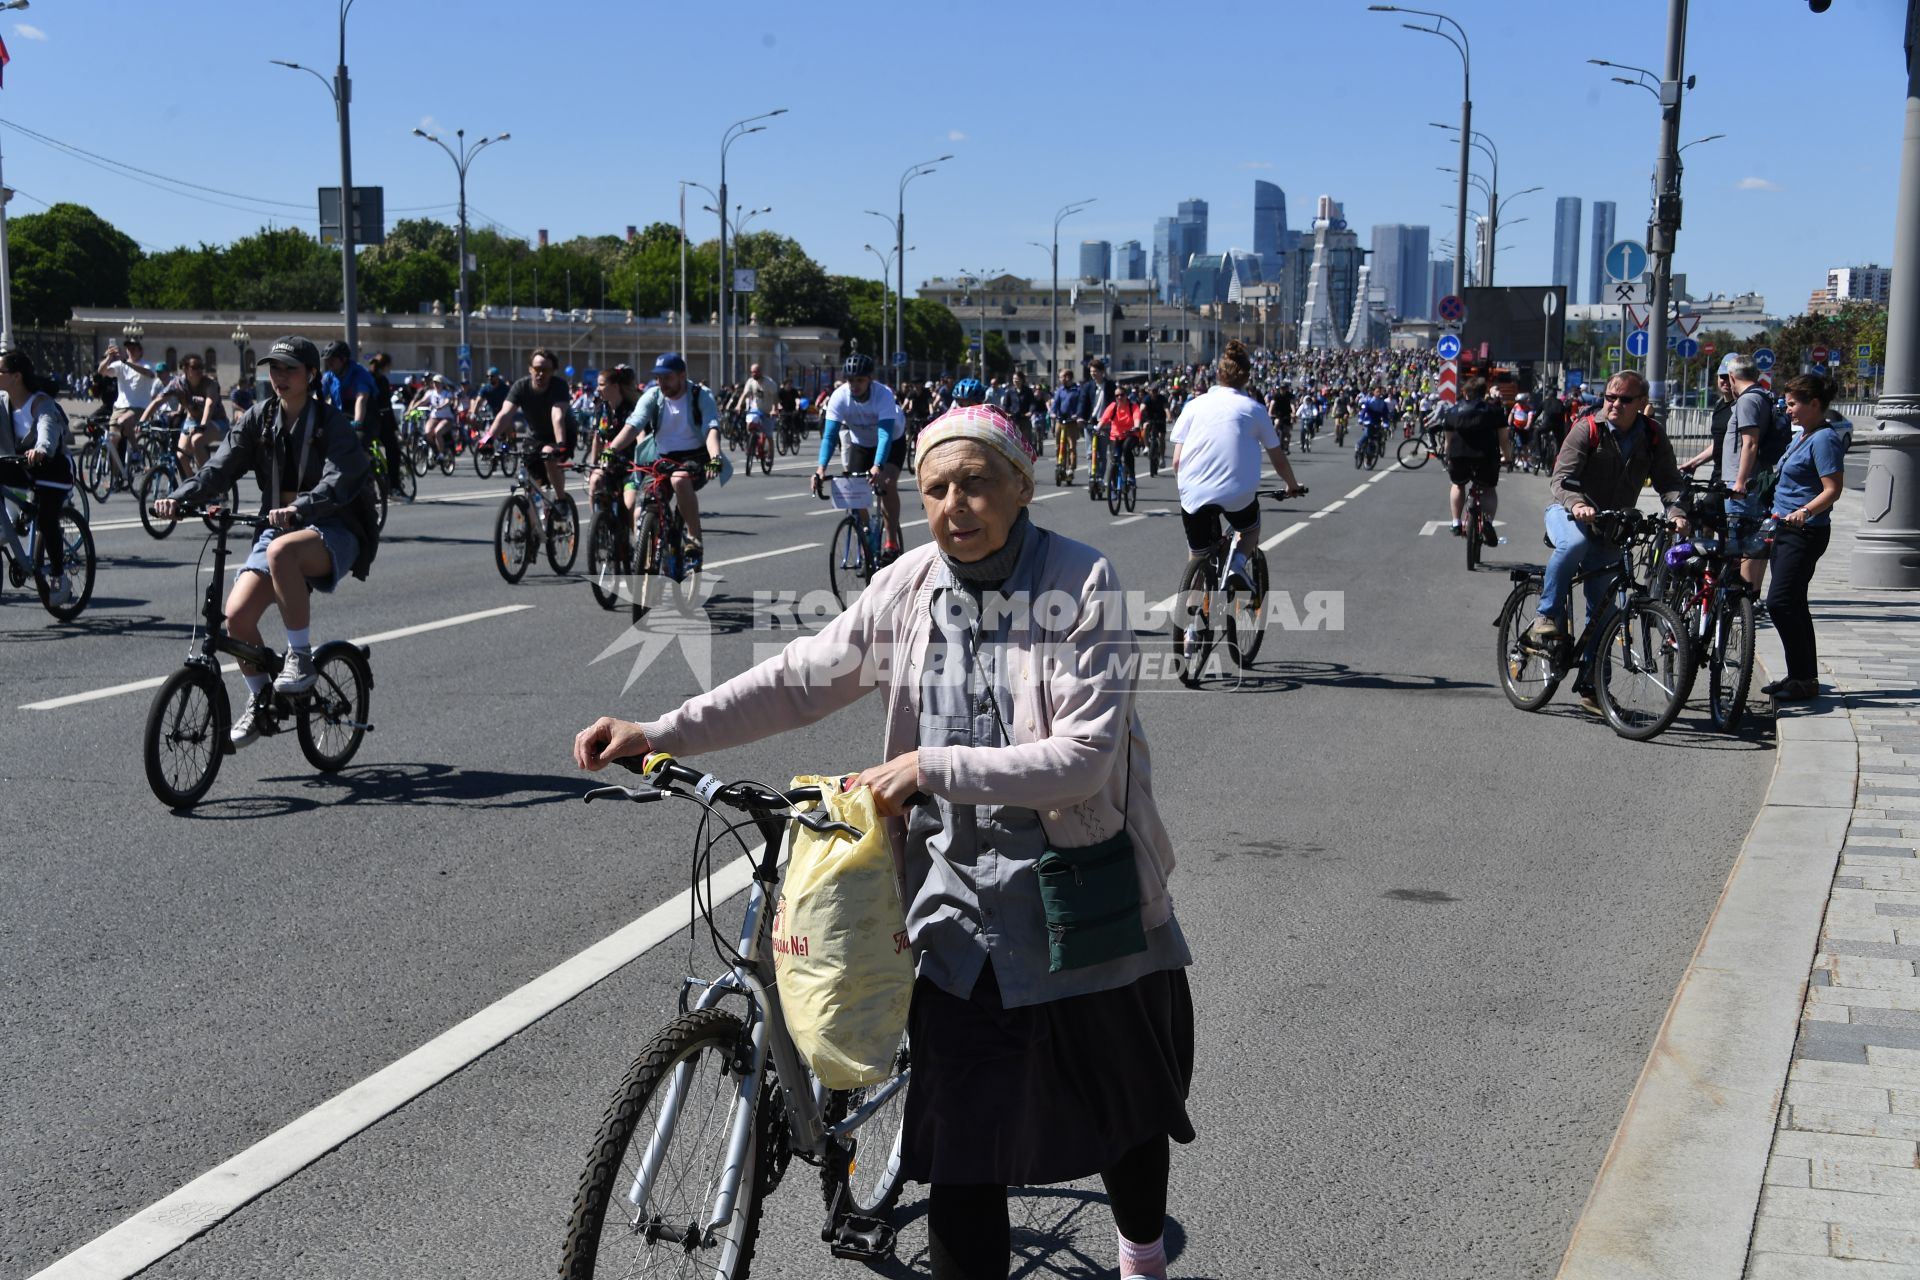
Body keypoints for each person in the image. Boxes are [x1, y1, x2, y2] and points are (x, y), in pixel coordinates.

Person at [574, 401, 1195, 1280]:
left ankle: (1140, 1255)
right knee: (959, 1155)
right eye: (936, 487)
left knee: (1123, 1109)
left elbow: (1085, 761)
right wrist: (660, 729)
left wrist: (930, 767)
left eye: (977, 483)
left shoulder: (1081, 583)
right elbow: (797, 680)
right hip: (954, 905)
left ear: (1020, 488)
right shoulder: (906, 585)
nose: (955, 504)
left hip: (1077, 885)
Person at [151, 337, 375, 744]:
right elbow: (220, 467)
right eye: (275, 368)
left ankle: (300, 658)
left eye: (290, 369)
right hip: (280, 527)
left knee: (281, 550)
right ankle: (260, 703)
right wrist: (178, 498)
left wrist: (302, 507)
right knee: (236, 619)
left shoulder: (330, 422)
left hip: (333, 527)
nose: (280, 377)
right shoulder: (260, 417)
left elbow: (342, 476)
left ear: (311, 375)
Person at [1530, 371, 1689, 704]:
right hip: (1568, 511)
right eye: (1610, 397)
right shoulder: (1587, 428)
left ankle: (1592, 689)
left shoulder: (1653, 436)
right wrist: (1578, 504)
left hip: (1611, 526)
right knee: (1574, 544)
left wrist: (1676, 512)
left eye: (1624, 399)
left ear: (1642, 404)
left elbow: (1669, 482)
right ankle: (1545, 615)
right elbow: (1560, 479)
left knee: (1603, 613)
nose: (1615, 403)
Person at [1171, 340, 1305, 568]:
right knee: (1250, 530)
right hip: (1237, 494)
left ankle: (1191, 601)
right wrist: (1292, 485)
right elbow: (1278, 458)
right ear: (1247, 377)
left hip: (1193, 492)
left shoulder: (1194, 405)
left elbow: (1176, 461)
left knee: (1197, 554)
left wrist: (1188, 488)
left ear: (1218, 375)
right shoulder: (1254, 409)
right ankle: (1238, 564)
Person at [1762, 374, 1847, 702]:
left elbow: (1833, 489)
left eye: (1794, 403)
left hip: (1804, 532)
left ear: (1815, 404)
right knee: (1794, 603)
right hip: (1786, 529)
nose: (1788, 408)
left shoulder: (1824, 439)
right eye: (1787, 401)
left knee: (1780, 602)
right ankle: (1801, 678)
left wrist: (1805, 512)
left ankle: (1802, 678)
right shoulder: (1805, 435)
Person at [609, 352, 721, 562]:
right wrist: (612, 449)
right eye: (659, 378)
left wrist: (715, 458)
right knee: (641, 507)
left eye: (667, 377)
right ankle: (645, 557)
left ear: (681, 375)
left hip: (695, 458)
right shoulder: (653, 395)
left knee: (679, 479)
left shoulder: (700, 394)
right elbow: (634, 424)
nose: (662, 383)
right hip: (662, 459)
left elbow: (710, 428)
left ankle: (694, 537)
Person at [0, 349, 77, 606]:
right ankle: (12, 520)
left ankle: (58, 575)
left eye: (0, 371)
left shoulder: (40, 402)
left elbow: (47, 427)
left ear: (16, 377)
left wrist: (41, 449)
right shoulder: (2, 401)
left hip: (51, 467)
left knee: (46, 520)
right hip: (21, 464)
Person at [815, 353, 906, 559]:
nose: (854, 385)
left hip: (892, 441)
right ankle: (866, 535)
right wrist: (821, 469)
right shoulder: (840, 397)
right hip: (861, 443)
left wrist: (878, 466)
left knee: (887, 482)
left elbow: (884, 434)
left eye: (860, 380)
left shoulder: (883, 394)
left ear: (869, 380)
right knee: (853, 487)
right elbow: (829, 437)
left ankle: (891, 540)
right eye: (850, 380)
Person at [1721, 355, 1778, 596]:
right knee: (1753, 539)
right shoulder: (1762, 397)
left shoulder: (1748, 401)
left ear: (1733, 377)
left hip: (1743, 485)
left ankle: (1743, 597)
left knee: (1742, 541)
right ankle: (1749, 596)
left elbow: (1750, 443)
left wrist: (1740, 482)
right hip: (1752, 481)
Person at [499, 349, 576, 503]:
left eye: (546, 370)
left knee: (548, 453)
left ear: (553, 371)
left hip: (561, 434)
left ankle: (561, 501)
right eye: (537, 369)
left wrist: (560, 445)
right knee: (531, 485)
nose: (540, 373)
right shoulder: (521, 386)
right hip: (535, 436)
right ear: (530, 369)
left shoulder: (559, 386)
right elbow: (505, 414)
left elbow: (557, 416)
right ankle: (535, 522)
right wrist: (486, 439)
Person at [1445, 377, 1507, 542]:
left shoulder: (1452, 411)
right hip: (1486, 456)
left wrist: (1447, 456)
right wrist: (1508, 456)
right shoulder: (1495, 411)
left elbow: (1448, 440)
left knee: (1458, 485)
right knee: (1489, 489)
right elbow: (1503, 439)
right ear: (1484, 393)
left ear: (1465, 393)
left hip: (1458, 455)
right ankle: (1487, 522)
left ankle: (1456, 522)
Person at [141, 354, 226, 474]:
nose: (199, 370)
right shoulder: (177, 384)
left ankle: (210, 480)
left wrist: (202, 426)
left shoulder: (209, 384)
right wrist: (142, 421)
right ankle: (194, 486)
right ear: (185, 369)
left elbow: (209, 406)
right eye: (195, 367)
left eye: (201, 367)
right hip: (192, 420)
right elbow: (157, 402)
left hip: (216, 421)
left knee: (197, 440)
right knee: (181, 455)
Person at [97, 338, 160, 492]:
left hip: (139, 407)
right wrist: (109, 358)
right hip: (120, 407)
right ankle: (115, 477)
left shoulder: (146, 364)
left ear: (140, 350)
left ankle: (137, 453)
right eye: (128, 348)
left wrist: (126, 362)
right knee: (112, 440)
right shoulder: (120, 365)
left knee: (124, 421)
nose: (130, 351)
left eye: (133, 348)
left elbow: (149, 374)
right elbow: (101, 371)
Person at [1680, 367, 1735, 482]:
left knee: (1709, 500)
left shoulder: (1741, 405)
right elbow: (1719, 442)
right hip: (1719, 472)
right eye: (1723, 377)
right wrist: (1693, 463)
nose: (1726, 381)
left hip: (1733, 475)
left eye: (1730, 377)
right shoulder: (1719, 404)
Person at [1101, 386, 1143, 494]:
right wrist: (1097, 428)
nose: (1119, 397)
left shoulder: (1132, 406)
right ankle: (1114, 487)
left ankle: (1131, 477)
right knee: (1114, 460)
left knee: (1126, 449)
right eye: (1117, 396)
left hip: (1131, 434)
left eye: (1122, 395)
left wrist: (1137, 426)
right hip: (1115, 436)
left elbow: (1137, 417)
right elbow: (1104, 419)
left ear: (1126, 395)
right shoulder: (1113, 407)